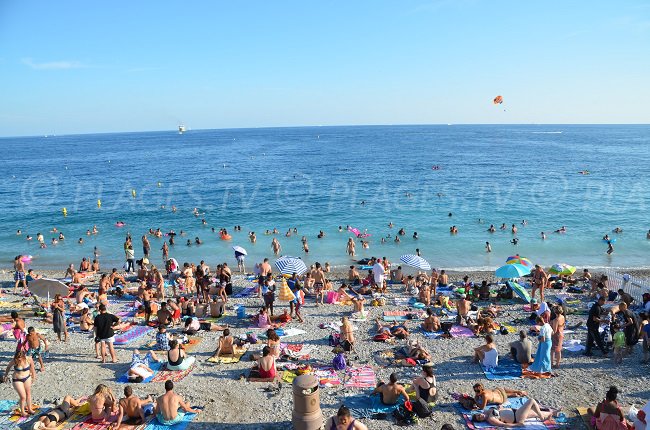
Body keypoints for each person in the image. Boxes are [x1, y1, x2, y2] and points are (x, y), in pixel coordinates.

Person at [471, 397, 555, 426]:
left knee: (534, 412)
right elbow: (504, 424)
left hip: (516, 412)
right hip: (517, 417)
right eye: (479, 418)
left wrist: (500, 407)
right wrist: (517, 425)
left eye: (479, 415)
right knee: (531, 401)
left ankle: (554, 413)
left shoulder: (487, 411)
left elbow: (497, 410)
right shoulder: (491, 420)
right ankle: (541, 417)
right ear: (481, 421)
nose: (480, 416)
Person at [3, 350, 36, 417]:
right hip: (17, 379)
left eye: (20, 358)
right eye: (18, 358)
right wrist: (6, 375)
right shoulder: (14, 360)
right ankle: (23, 411)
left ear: (24, 356)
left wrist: (33, 376)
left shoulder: (29, 359)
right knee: (23, 397)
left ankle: (29, 409)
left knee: (28, 393)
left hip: (27, 377)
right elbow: (8, 367)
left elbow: (32, 367)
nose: (19, 359)